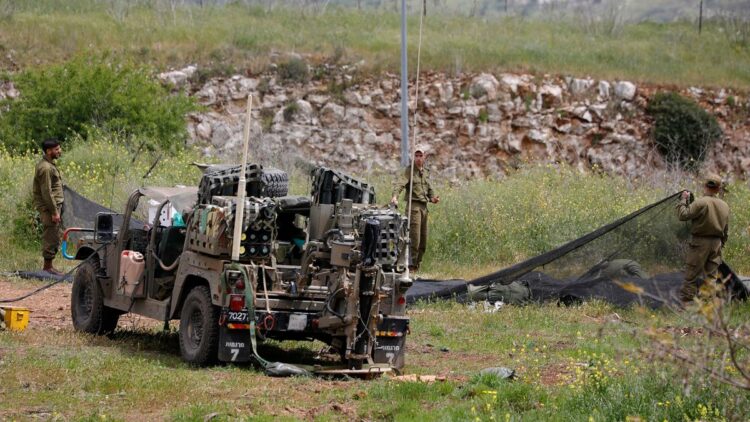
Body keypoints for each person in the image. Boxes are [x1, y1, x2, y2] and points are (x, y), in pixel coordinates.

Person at [676, 173, 729, 302]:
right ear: (718, 189)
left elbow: (683, 215)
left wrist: (683, 199)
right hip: (716, 243)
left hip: (700, 243)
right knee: (711, 277)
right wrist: (721, 244)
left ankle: (687, 305)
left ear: (704, 186)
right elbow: (726, 230)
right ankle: (707, 306)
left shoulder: (701, 202)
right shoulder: (725, 206)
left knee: (691, 275)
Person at [390, 145, 440, 272]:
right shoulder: (410, 171)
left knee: (423, 240)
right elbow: (401, 183)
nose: (418, 158)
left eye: (420, 156)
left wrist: (433, 198)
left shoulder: (425, 172)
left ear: (425, 157)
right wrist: (395, 196)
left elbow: (428, 188)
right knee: (414, 239)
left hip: (424, 207)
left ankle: (417, 265)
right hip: (414, 207)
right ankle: (410, 266)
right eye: (416, 156)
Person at [32, 138, 65, 275]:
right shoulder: (45, 168)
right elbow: (46, 192)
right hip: (49, 208)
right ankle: (47, 267)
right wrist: (54, 212)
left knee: (54, 234)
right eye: (56, 149)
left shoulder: (49, 165)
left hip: (53, 206)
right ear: (48, 151)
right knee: (50, 235)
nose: (59, 151)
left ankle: (49, 266)